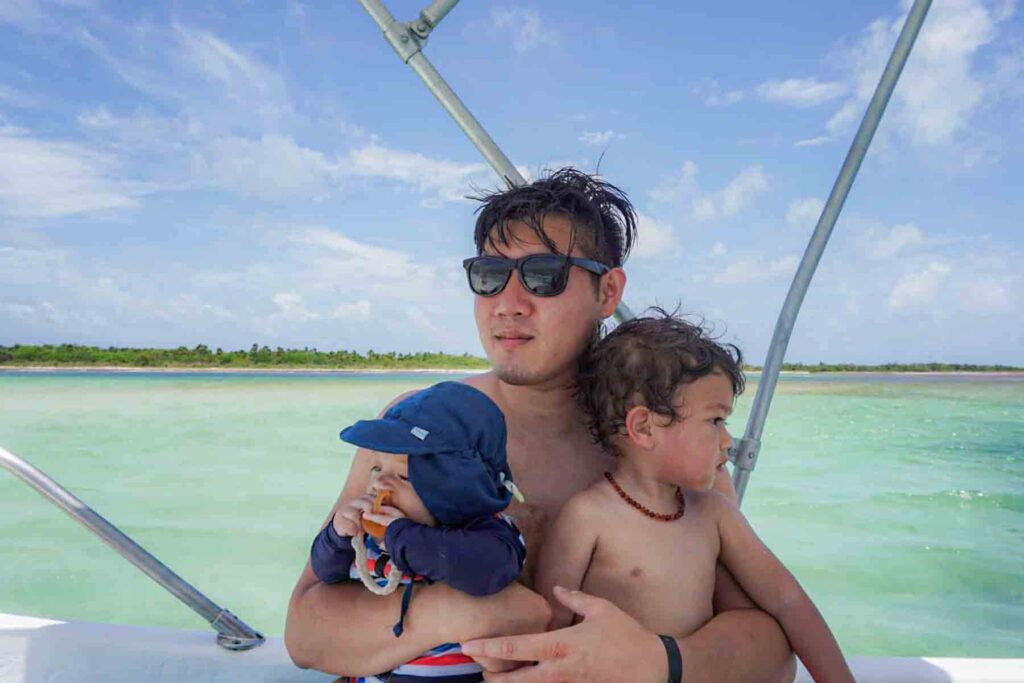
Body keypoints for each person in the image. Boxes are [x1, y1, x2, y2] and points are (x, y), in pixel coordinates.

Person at [285, 168, 795, 682]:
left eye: (543, 274)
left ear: (608, 291)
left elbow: (773, 649)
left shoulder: (660, 440)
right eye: (489, 275)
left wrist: (656, 660)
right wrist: (463, 612)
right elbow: (306, 631)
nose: (508, 304)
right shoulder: (418, 426)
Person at [536, 312, 853, 682]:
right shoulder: (588, 517)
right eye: (715, 421)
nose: (727, 441)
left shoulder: (714, 513)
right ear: (643, 427)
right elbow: (551, 624)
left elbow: (787, 601)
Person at [308, 381, 527, 682]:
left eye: (401, 476)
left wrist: (403, 537)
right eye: (376, 470)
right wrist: (337, 537)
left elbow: (490, 571)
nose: (379, 485)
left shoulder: (486, 534)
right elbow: (327, 574)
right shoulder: (372, 535)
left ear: (459, 488)